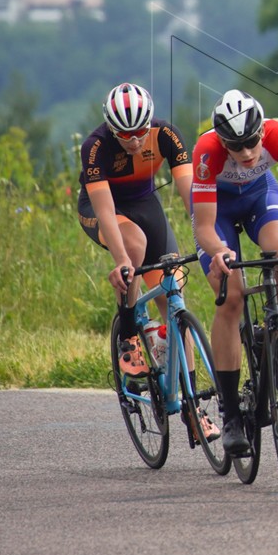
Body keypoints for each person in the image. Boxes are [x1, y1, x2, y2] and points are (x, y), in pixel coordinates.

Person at [76, 82, 204, 436]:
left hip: (146, 205)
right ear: (111, 128)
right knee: (133, 245)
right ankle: (129, 335)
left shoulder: (166, 135)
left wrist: (206, 238)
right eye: (125, 134)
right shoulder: (95, 147)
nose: (134, 140)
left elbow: (191, 196)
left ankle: (191, 406)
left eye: (139, 132)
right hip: (104, 208)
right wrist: (120, 262)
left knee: (173, 292)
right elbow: (103, 208)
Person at [190, 89, 278, 456]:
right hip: (219, 215)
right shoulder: (206, 151)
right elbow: (205, 227)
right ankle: (229, 414)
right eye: (235, 146)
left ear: (262, 131)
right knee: (231, 296)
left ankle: (277, 342)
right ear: (222, 141)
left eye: (251, 143)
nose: (245, 154)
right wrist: (220, 252)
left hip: (260, 196)